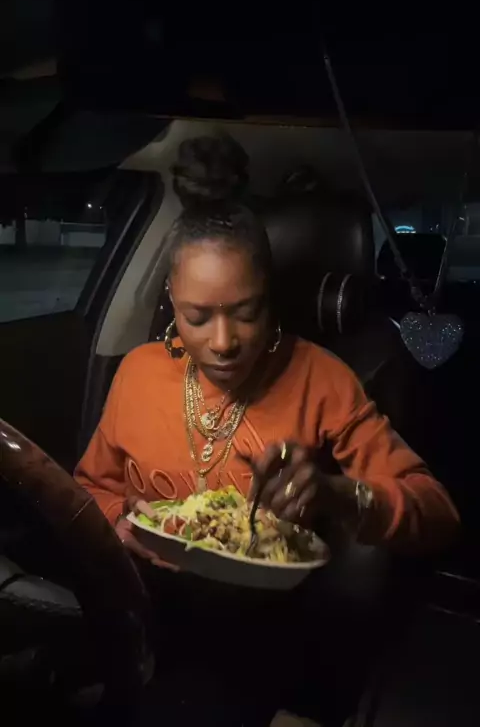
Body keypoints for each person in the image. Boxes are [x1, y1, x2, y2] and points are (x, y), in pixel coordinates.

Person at [75, 135, 459, 726]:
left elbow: (437, 514)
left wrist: (338, 493)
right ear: (173, 301)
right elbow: (89, 488)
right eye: (197, 317)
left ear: (270, 297)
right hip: (139, 607)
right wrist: (124, 526)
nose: (223, 342)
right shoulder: (138, 372)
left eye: (246, 312)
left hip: (256, 631)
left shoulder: (321, 377)